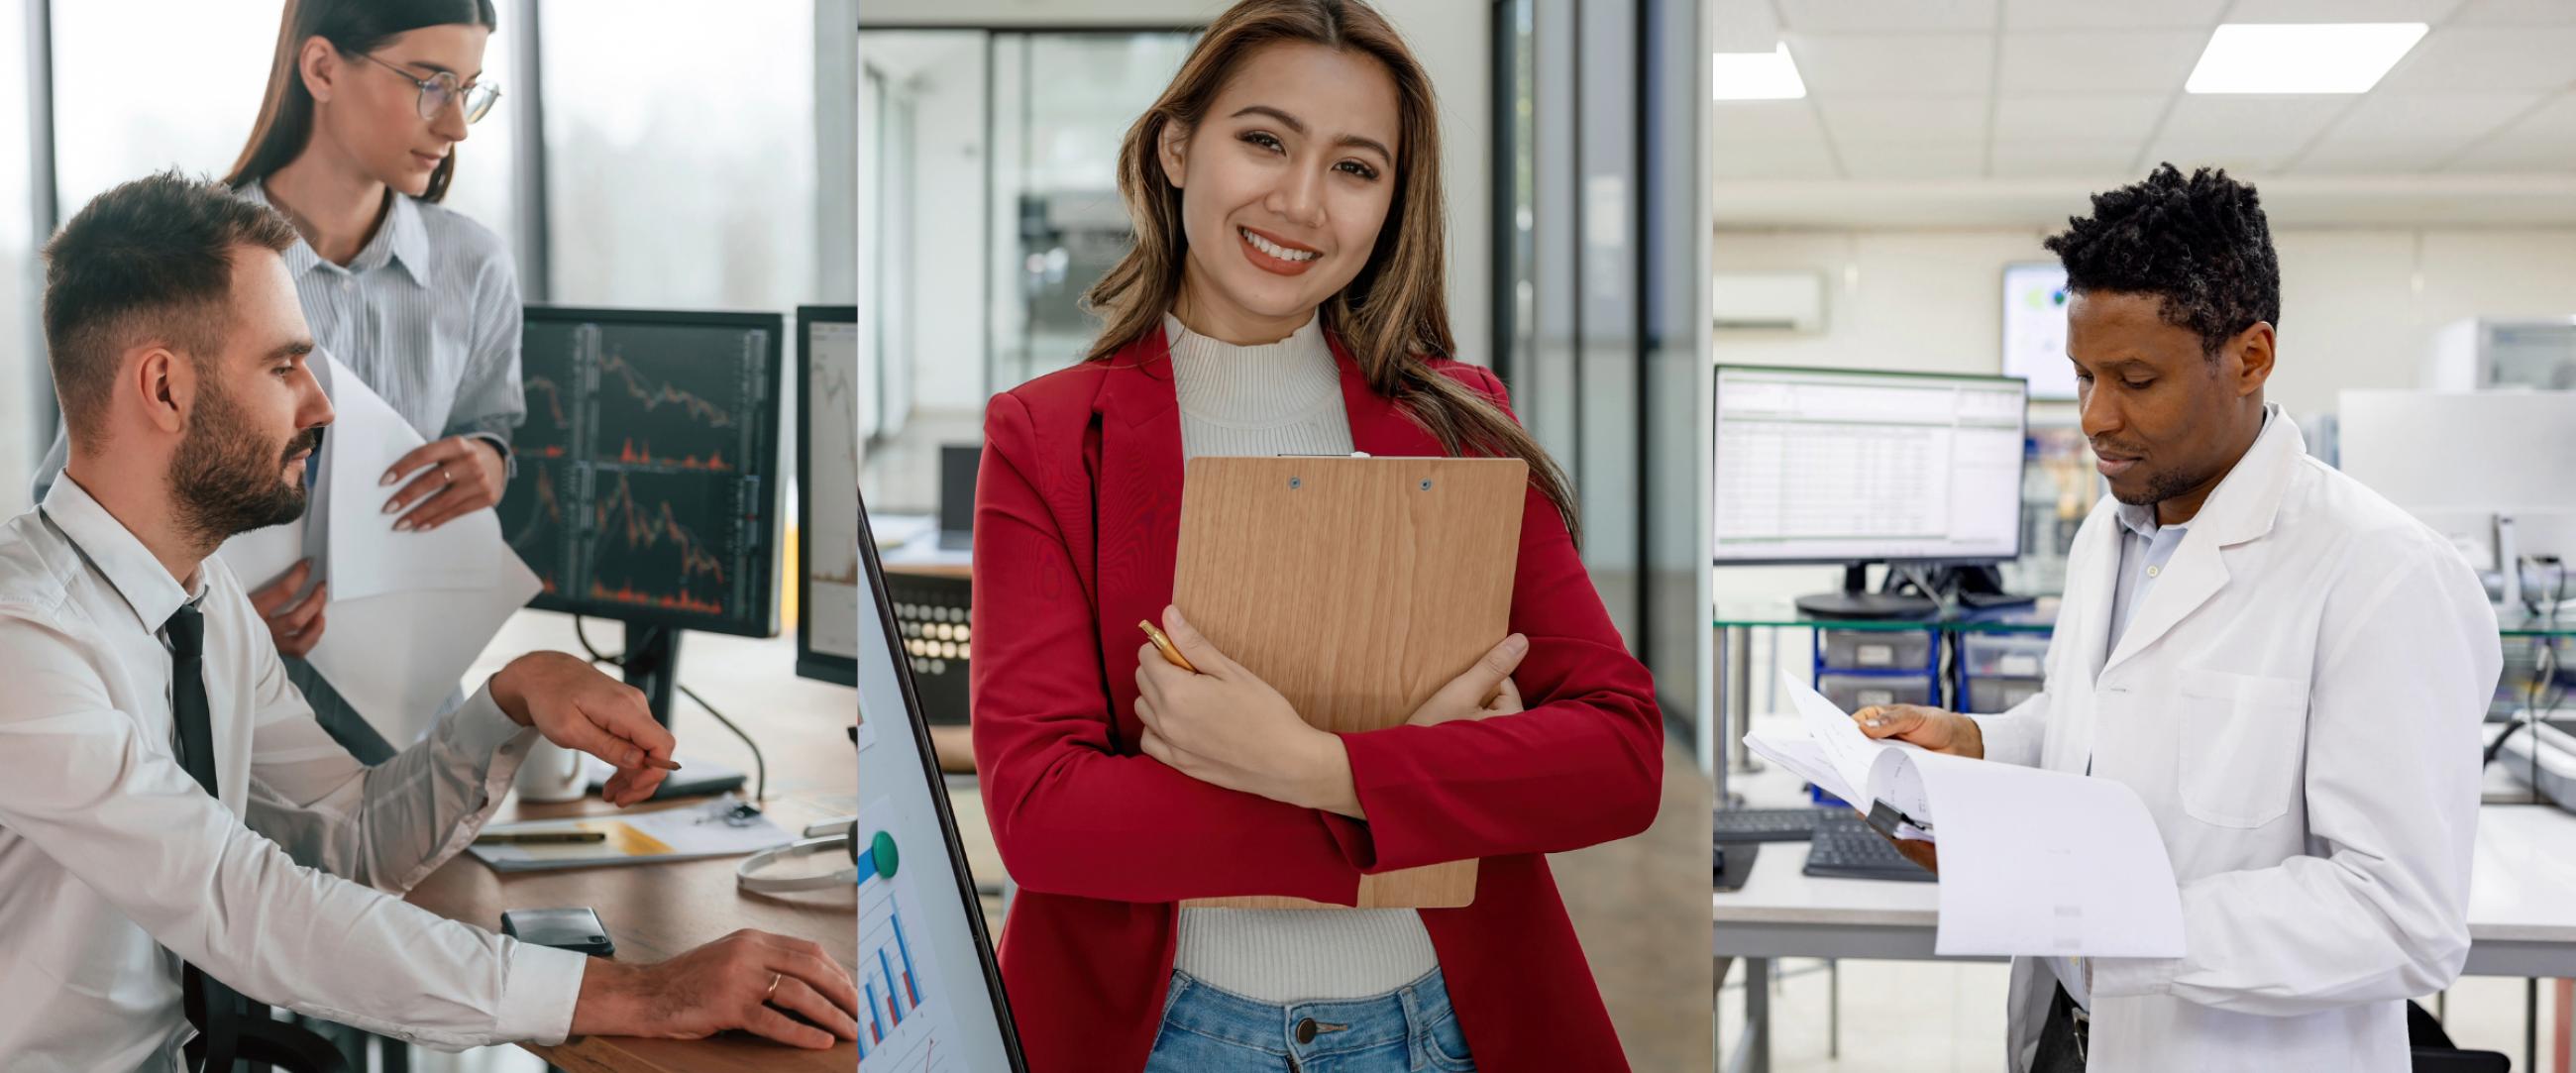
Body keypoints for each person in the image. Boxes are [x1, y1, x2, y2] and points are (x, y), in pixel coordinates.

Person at [0, 171, 859, 1070]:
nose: (320, 404)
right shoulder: (25, 639)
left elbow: (348, 834)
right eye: (286, 365)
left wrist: (505, 703)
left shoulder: (206, 605)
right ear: (166, 389)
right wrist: (642, 992)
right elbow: (245, 905)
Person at [969, 2, 1664, 1070]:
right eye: (1262, 140)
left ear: (1391, 200)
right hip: (1167, 1033)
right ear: (1174, 145)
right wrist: (1419, 791)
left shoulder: (1458, 420)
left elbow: (1618, 755)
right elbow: (1044, 817)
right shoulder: (1050, 437)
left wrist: (1316, 766)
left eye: (1354, 168)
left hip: (1435, 1025)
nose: (1298, 203)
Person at [1851, 164, 2501, 1072]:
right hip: (2065, 1033)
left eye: (2136, 378)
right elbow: (2104, 730)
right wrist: (1984, 744)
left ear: (2251, 356)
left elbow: (2403, 916)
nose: (2095, 416)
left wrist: (2100, 910)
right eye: (2081, 375)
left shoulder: (2382, 574)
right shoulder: (2111, 533)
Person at [33, 0, 529, 764]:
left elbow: (491, 422)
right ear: (322, 67)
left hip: (409, 728)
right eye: (431, 84)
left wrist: (491, 459)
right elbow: (75, 503)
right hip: (215, 723)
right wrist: (211, 626)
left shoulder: (476, 265)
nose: (457, 124)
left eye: (471, 90)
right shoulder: (193, 263)